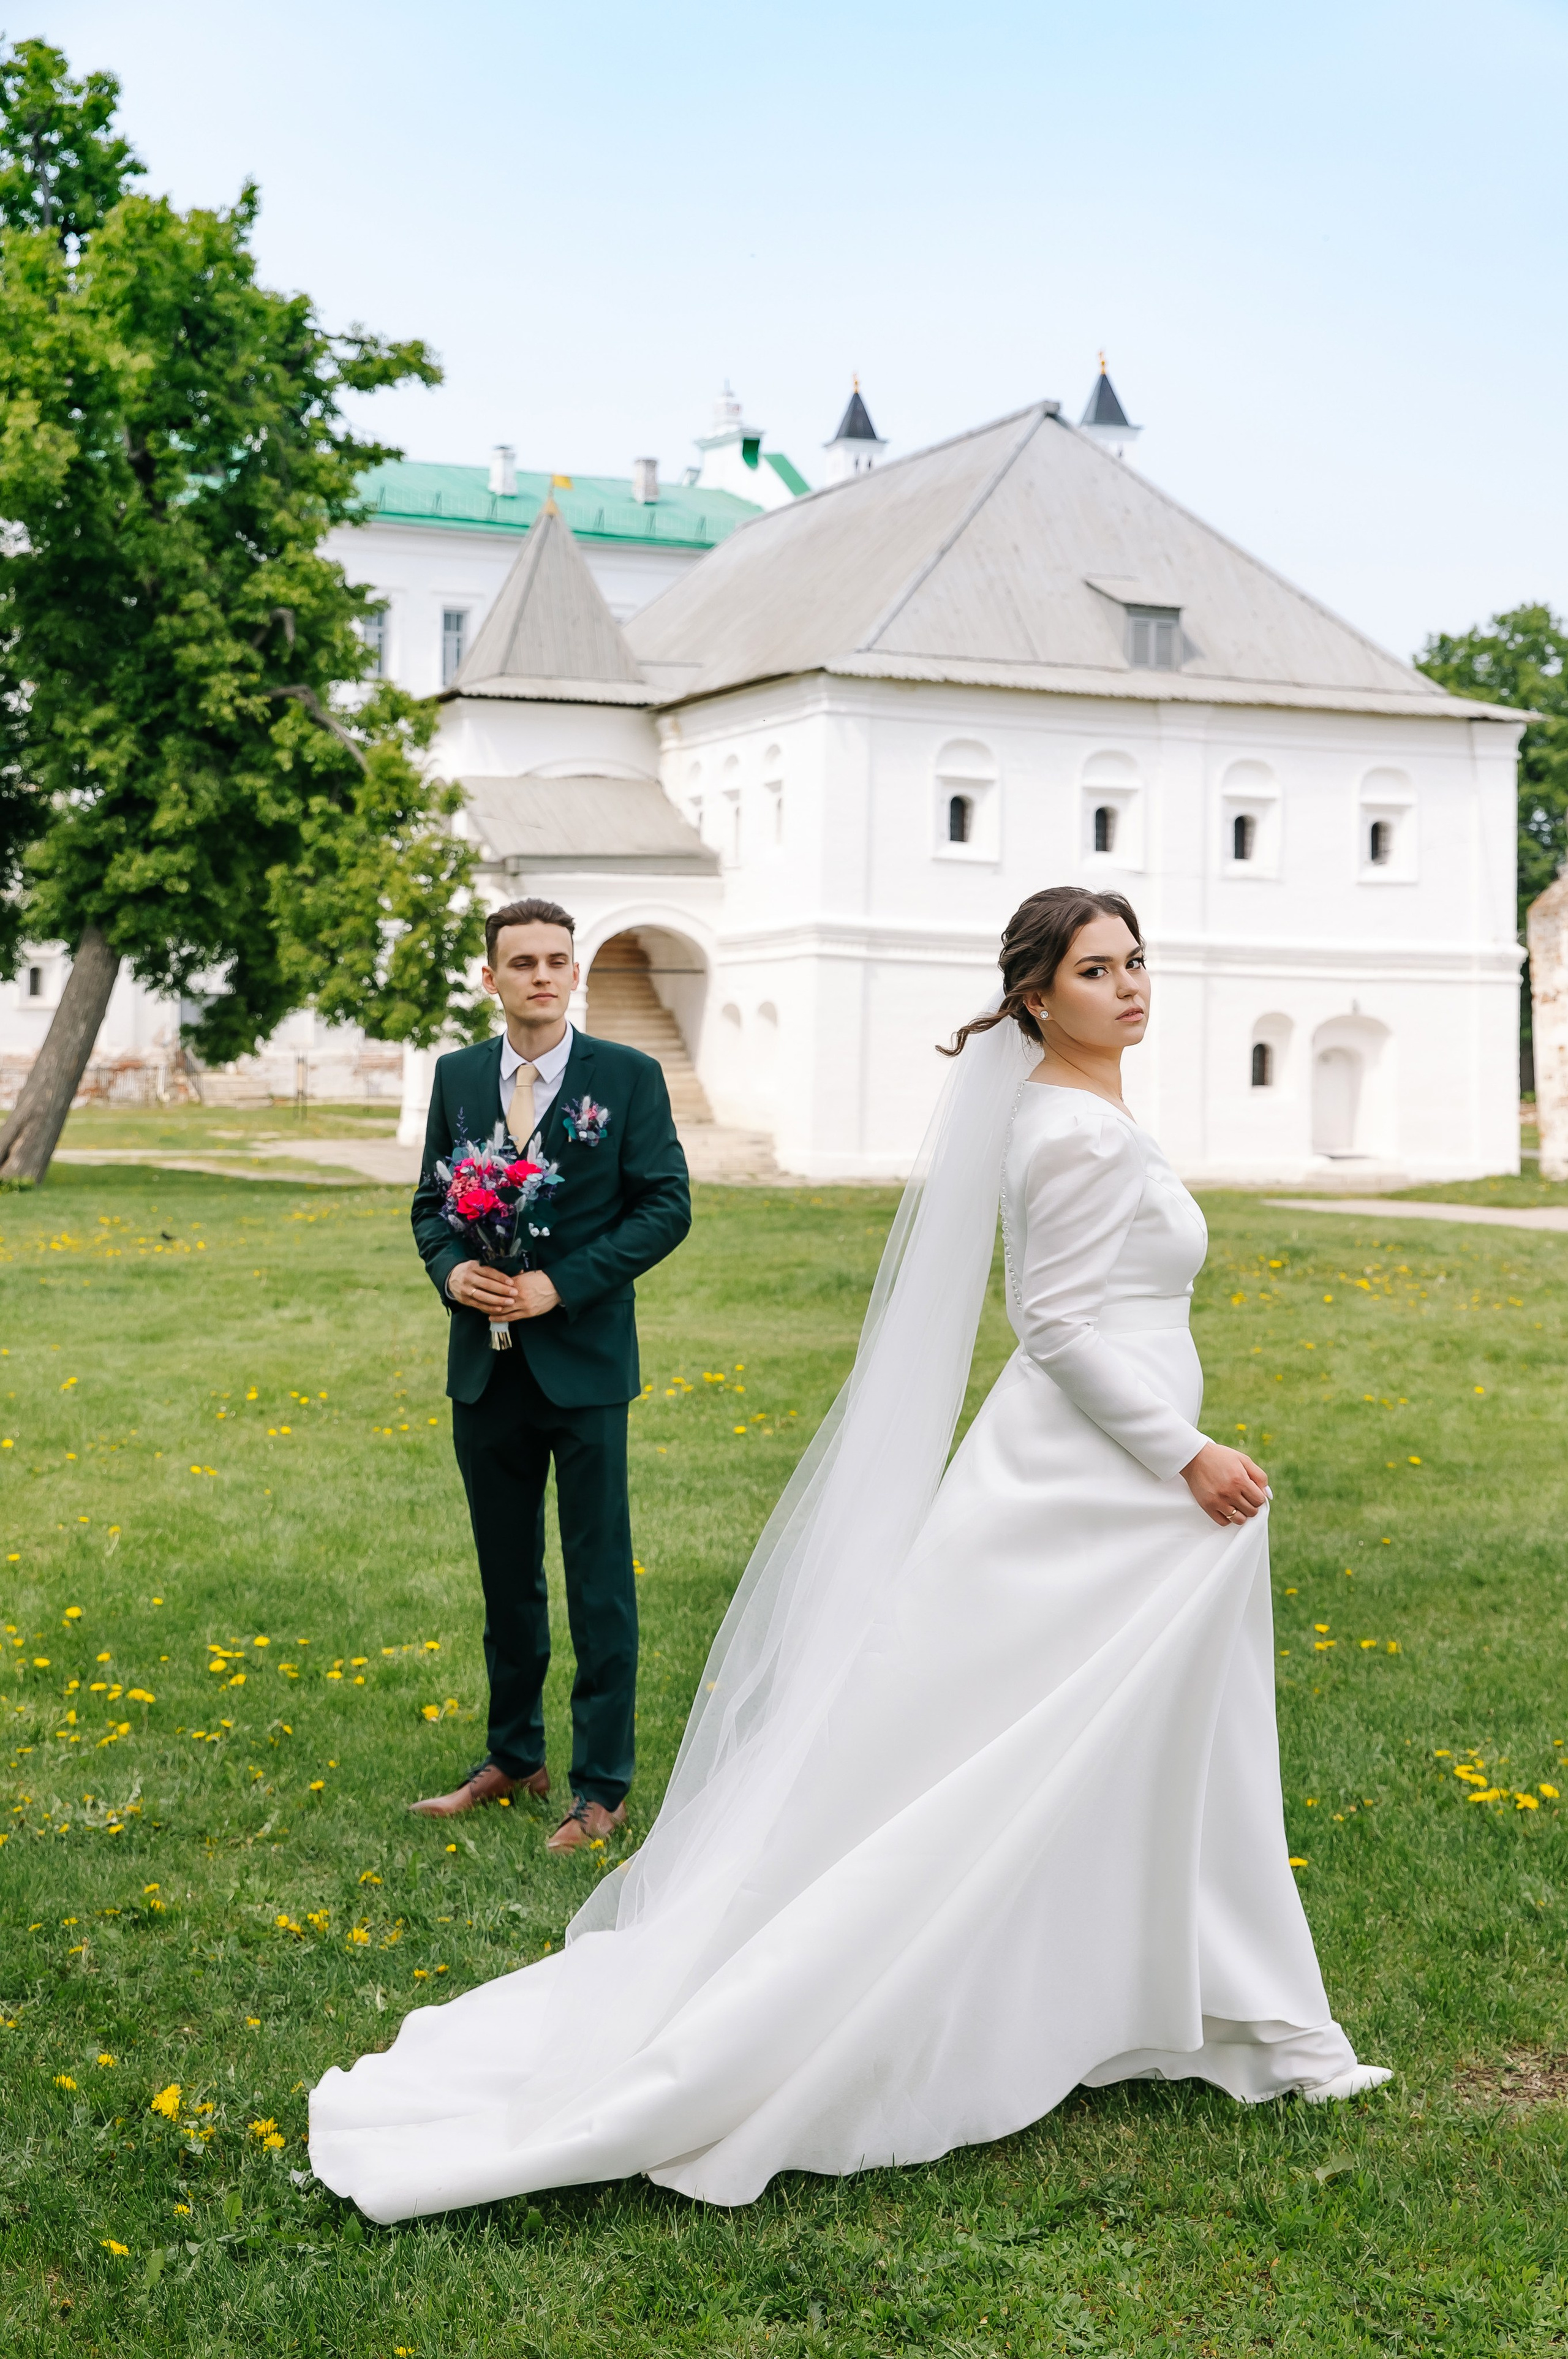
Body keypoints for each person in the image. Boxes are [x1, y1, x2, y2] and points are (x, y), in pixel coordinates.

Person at [312, 885, 1387, 2219]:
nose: (1129, 986)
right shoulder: (1067, 1132)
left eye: (1135, 962)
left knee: (1150, 1733)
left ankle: (1202, 1997)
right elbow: (1054, 1325)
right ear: (1036, 996)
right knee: (1021, 1740)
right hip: (1104, 1475)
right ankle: (1218, 2007)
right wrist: (1188, 1454)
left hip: (1126, 1473)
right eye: (1096, 970)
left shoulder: (1082, 1110)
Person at [406, 897, 690, 1852]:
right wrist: (452, 1271)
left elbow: (666, 1208)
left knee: (598, 1579)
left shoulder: (630, 1076)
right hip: (484, 1371)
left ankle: (601, 1787)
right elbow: (431, 1205)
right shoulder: (455, 1077)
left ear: (576, 972)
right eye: (521, 962)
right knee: (506, 1577)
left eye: (556, 961)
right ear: (491, 978)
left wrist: (558, 1286)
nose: (541, 976)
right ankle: (514, 1756)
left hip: (586, 1365)